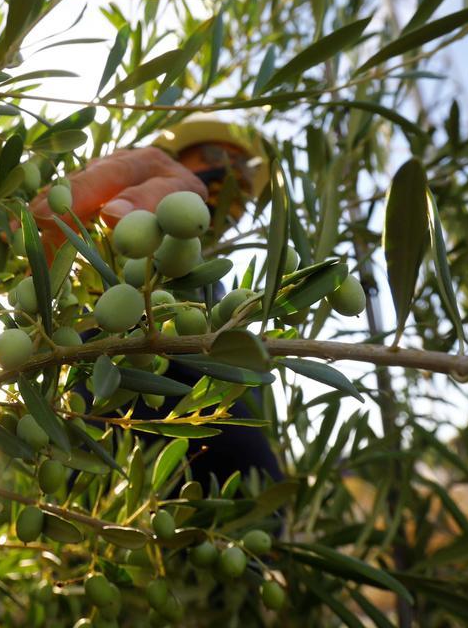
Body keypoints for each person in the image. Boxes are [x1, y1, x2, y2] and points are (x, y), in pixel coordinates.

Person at [29, 119, 282, 486]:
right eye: (215, 156)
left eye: (245, 172)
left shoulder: (213, 282)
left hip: (238, 508)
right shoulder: (120, 251)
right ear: (174, 161)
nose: (233, 176)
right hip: (111, 489)